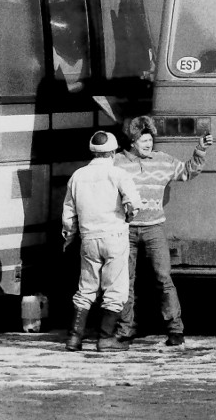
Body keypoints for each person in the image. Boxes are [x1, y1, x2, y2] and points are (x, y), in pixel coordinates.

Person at [113, 115, 213, 346]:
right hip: (125, 230)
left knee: (163, 278)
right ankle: (125, 329)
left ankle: (175, 329)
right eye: (143, 140)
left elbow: (188, 172)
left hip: (154, 228)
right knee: (124, 281)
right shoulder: (116, 162)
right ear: (132, 142)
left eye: (150, 140)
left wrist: (200, 150)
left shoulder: (163, 160)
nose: (148, 144)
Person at [62, 131, 143, 352]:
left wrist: (69, 237)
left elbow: (68, 215)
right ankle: (106, 339)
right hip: (114, 237)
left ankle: (74, 338)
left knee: (86, 289)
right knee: (115, 289)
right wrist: (128, 216)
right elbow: (133, 204)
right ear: (113, 152)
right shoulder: (119, 174)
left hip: (88, 238)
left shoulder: (77, 176)